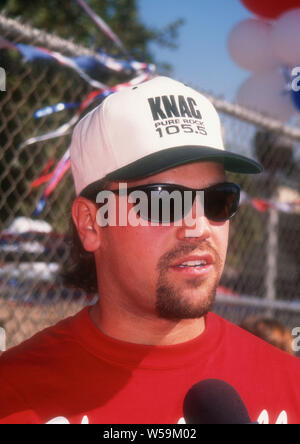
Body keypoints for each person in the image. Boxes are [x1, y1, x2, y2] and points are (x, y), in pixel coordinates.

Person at [0, 76, 299, 425]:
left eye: (219, 200)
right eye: (162, 202)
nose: (199, 227)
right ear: (91, 224)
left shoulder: (290, 383)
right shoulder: (13, 394)